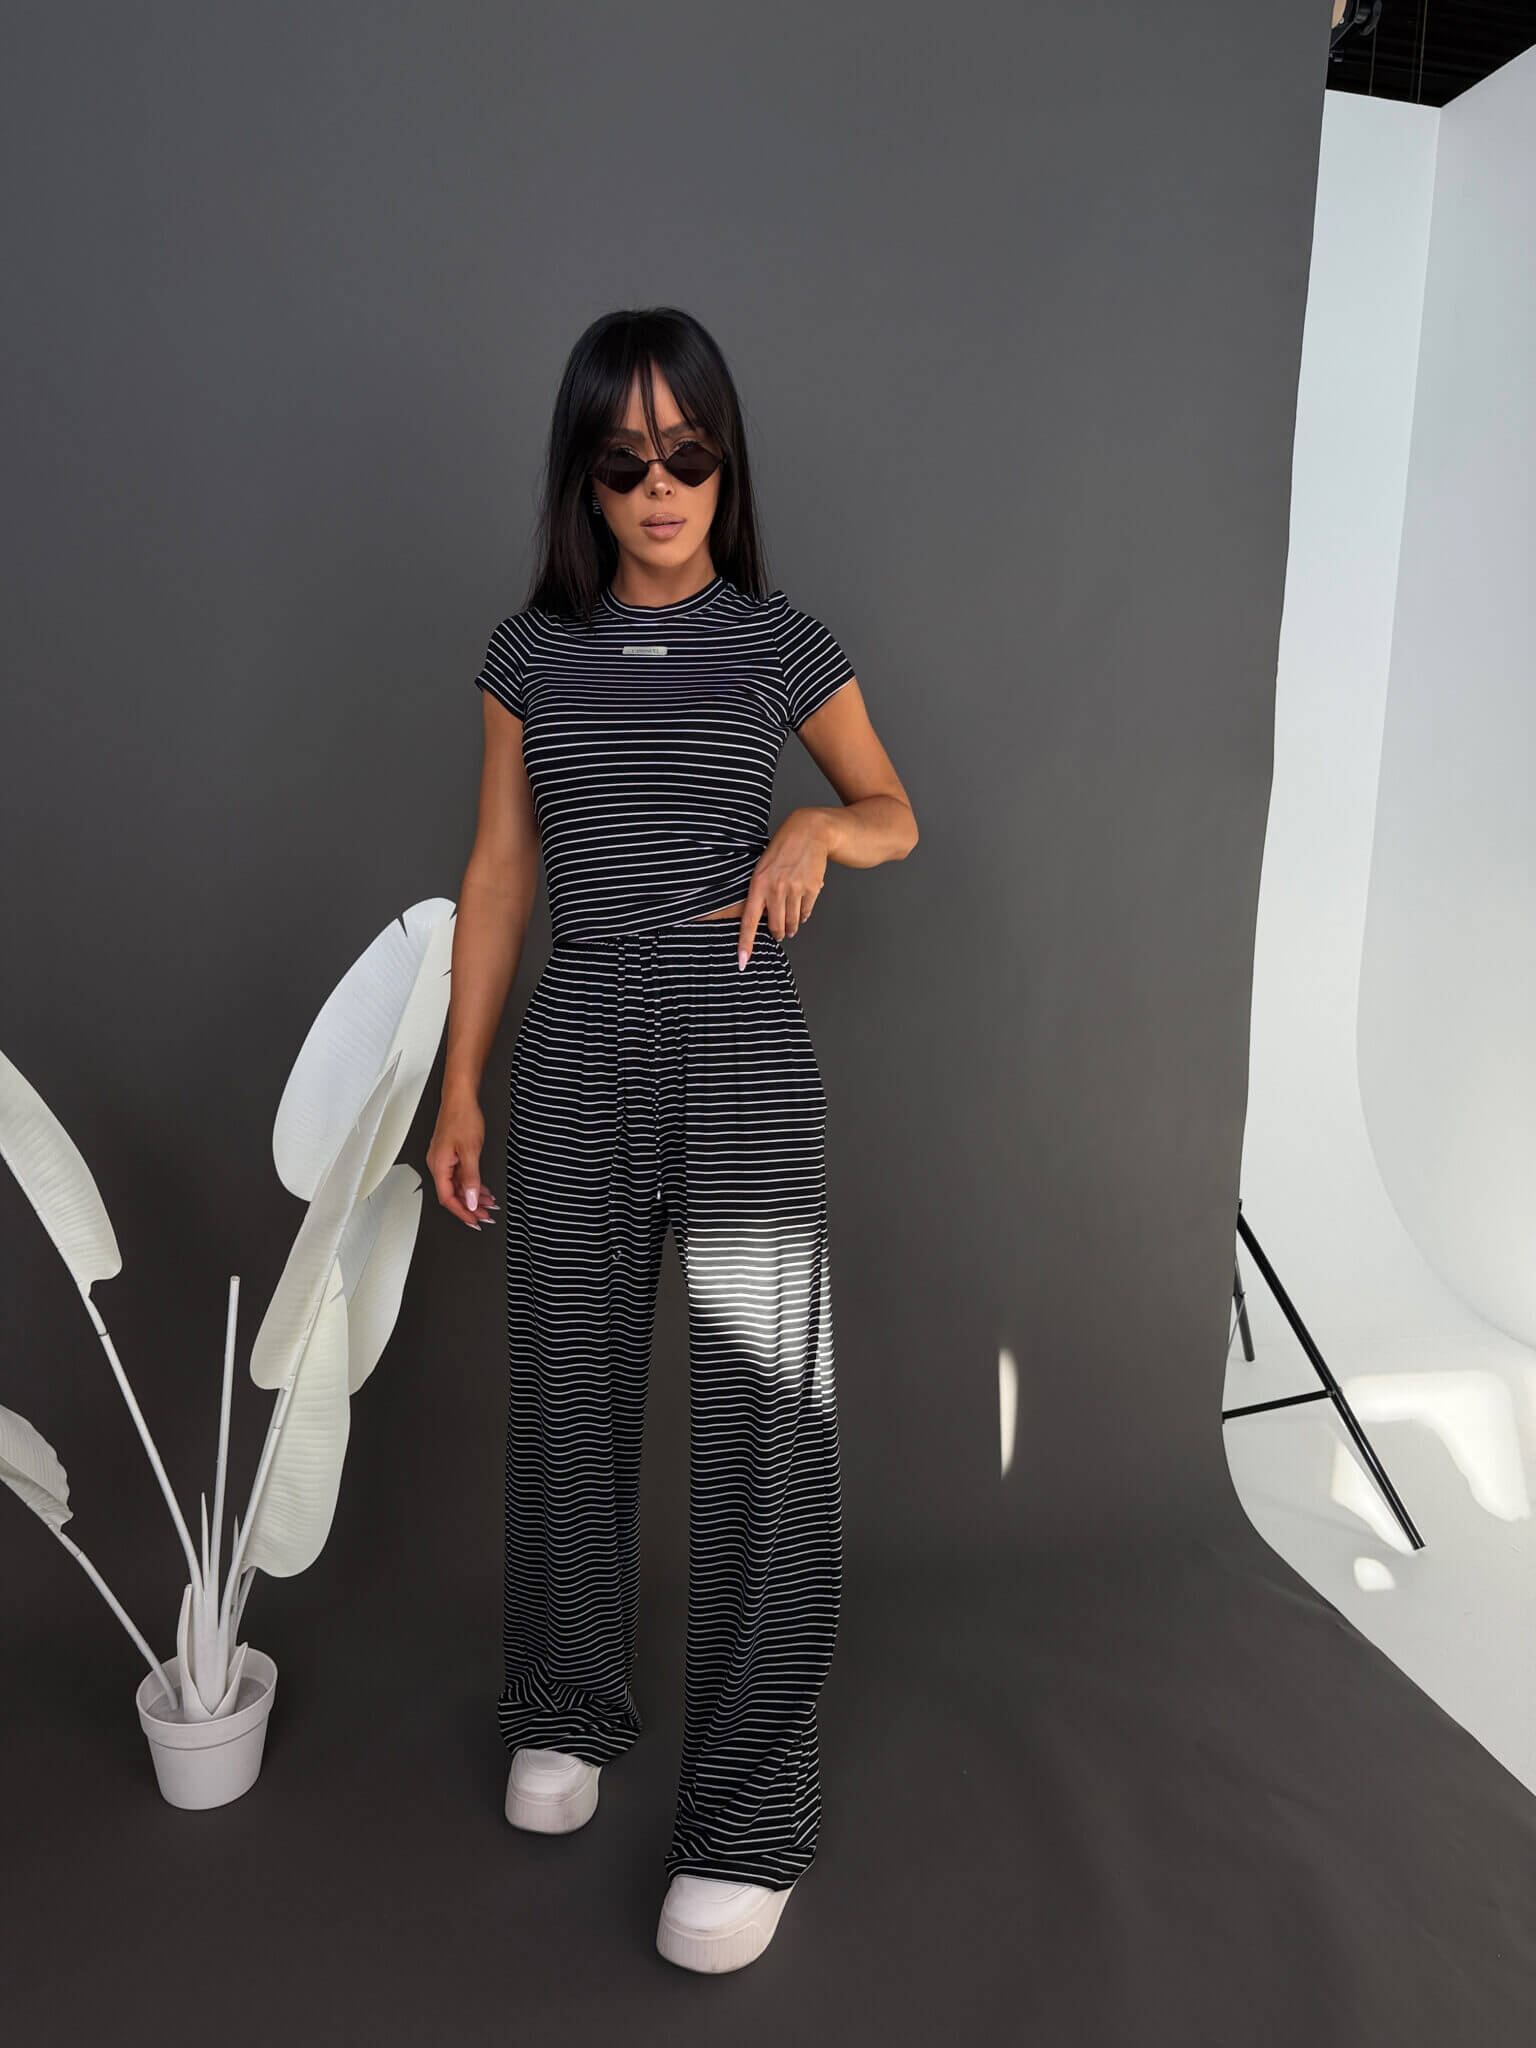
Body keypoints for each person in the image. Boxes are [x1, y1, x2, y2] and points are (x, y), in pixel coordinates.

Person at [429, 307, 918, 1973]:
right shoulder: (526, 657)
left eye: (689, 453)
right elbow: (500, 875)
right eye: (627, 457)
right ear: (585, 472)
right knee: (568, 1392)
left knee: (763, 1422)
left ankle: (749, 1821)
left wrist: (818, 827)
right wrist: (461, 1083)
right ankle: (568, 1705)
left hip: (740, 1047)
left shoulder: (781, 645)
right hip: (576, 1039)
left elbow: (898, 812)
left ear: (725, 462)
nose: (661, 486)